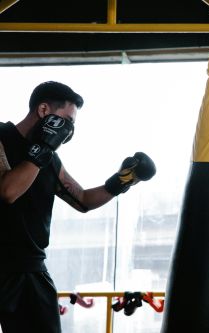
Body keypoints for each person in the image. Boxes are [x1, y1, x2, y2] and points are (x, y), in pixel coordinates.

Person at [0, 81, 156, 333]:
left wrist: (120, 182)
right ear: (43, 110)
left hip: (30, 268)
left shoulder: (49, 158)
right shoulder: (2, 137)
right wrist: (43, 149)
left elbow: (82, 199)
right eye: (67, 120)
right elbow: (8, 192)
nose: (70, 129)